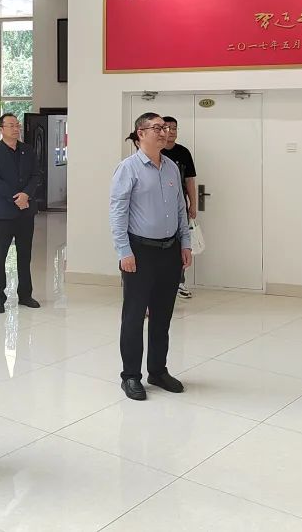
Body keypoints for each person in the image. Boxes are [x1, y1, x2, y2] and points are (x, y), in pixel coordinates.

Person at [109, 112, 192, 401]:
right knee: (134, 316)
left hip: (170, 251)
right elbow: (117, 212)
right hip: (139, 251)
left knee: (162, 316)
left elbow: (181, 208)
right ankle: (131, 376)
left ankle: (157, 370)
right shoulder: (128, 168)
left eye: (166, 127)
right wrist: (124, 251)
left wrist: (185, 243)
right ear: (140, 134)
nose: (164, 132)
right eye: (157, 128)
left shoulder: (171, 168)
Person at [0, 113, 42, 313]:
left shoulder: (28, 150)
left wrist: (26, 195)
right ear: (1, 129)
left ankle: (25, 295)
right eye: (11, 125)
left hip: (26, 211)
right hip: (4, 212)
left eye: (17, 125)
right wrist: (16, 198)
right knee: (0, 255)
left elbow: (36, 175)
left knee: (25, 255)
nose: (16, 128)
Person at [161, 116, 198, 299]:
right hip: (158, 207)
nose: (171, 131)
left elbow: (190, 180)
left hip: (179, 206)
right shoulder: (155, 152)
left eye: (174, 128)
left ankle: (179, 282)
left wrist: (193, 204)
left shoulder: (183, 153)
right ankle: (160, 282)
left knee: (181, 243)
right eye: (166, 127)